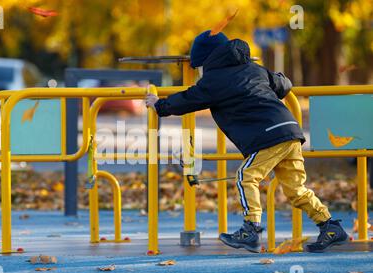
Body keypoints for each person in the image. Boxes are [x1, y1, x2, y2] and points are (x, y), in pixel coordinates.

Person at [145, 30, 348, 253]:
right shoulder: (254, 69)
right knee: (295, 189)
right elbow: (283, 84)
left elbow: (188, 100)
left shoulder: (214, 81)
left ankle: (251, 229)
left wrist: (159, 105)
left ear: (208, 60)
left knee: (246, 176)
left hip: (267, 136)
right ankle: (329, 226)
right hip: (290, 132)